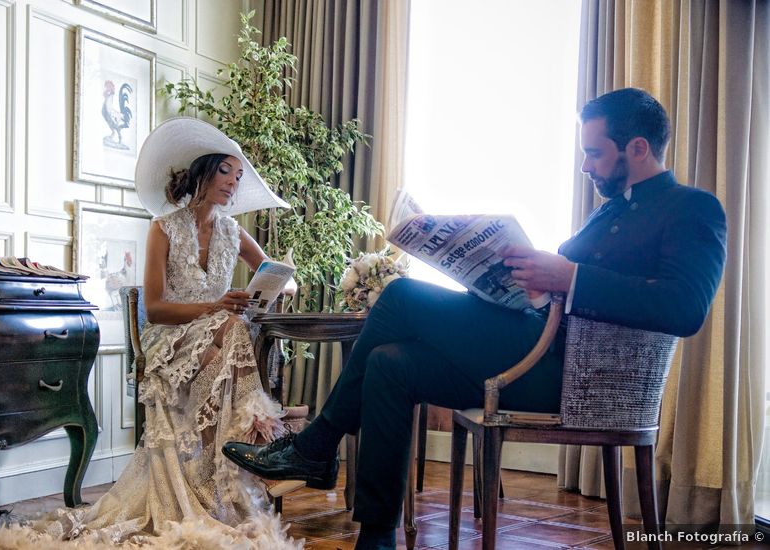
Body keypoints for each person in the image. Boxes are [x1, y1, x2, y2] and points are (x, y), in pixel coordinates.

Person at [222, 87, 728, 550]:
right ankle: (376, 538)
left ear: (637, 149)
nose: (586, 166)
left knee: (398, 298)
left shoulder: (693, 209)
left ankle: (316, 446)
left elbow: (686, 308)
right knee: (388, 364)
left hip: (573, 377)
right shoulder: (610, 210)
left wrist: (571, 278)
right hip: (536, 344)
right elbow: (564, 292)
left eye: (595, 153)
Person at [0, 118, 301, 550]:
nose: (233, 183)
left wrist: (273, 286)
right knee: (230, 325)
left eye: (238, 176)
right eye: (225, 171)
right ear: (203, 171)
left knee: (232, 329)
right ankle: (266, 439)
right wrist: (216, 306)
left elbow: (280, 277)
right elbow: (155, 308)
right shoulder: (163, 228)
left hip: (218, 337)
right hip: (170, 339)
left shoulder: (234, 232)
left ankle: (246, 450)